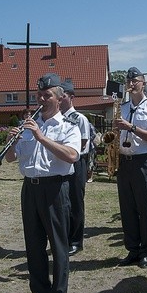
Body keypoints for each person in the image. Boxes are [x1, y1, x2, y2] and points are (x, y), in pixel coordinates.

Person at [5, 73, 81, 293]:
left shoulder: (68, 126)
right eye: (39, 94)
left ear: (59, 99)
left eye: (47, 95)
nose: (41, 98)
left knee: (58, 247)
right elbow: (10, 159)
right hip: (30, 188)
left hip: (55, 189)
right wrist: (11, 143)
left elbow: (71, 156)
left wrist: (41, 137)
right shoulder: (29, 125)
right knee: (33, 247)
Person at [115, 67, 147, 268]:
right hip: (124, 161)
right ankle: (133, 249)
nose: (131, 84)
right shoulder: (122, 106)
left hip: (143, 160)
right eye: (129, 81)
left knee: (145, 207)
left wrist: (131, 127)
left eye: (135, 80)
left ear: (143, 83)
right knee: (127, 208)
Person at [59, 80, 90, 256]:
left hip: (77, 162)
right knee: (64, 202)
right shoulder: (57, 118)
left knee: (76, 202)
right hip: (63, 161)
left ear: (71, 97)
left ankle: (76, 241)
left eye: (63, 96)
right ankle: (65, 237)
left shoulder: (79, 118)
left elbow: (83, 142)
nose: (60, 99)